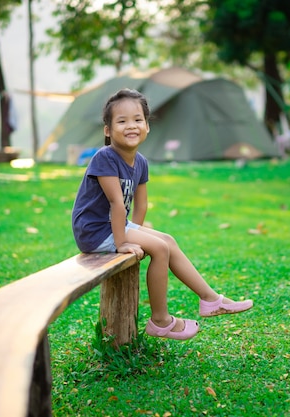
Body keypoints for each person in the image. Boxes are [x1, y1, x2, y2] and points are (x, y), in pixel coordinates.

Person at [72, 88, 253, 341]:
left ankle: (211, 300)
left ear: (147, 126)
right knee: (160, 249)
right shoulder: (105, 158)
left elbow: (141, 205)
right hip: (94, 230)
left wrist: (136, 230)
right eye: (121, 121)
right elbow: (116, 203)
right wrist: (125, 242)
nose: (131, 126)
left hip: (114, 224)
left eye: (137, 119)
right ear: (107, 130)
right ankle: (160, 321)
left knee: (167, 240)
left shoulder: (141, 162)